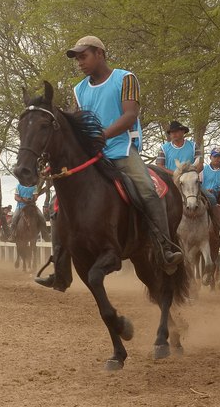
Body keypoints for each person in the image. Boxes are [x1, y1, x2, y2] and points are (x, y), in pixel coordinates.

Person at [66, 35, 183, 272]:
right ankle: (60, 260)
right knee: (64, 196)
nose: (80, 63)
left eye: (83, 56)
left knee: (148, 190)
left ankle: (165, 246)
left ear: (100, 53)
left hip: (120, 150)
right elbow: (77, 124)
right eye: (77, 59)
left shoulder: (125, 78)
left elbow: (130, 115)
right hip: (92, 156)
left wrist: (104, 135)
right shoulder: (79, 90)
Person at [156, 121, 220, 242]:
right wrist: (176, 173)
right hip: (171, 183)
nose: (174, 134)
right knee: (156, 201)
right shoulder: (164, 148)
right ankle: (157, 234)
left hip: (191, 183)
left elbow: (200, 164)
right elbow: (159, 165)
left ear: (182, 132)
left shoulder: (193, 146)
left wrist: (189, 173)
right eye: (171, 132)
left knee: (211, 198)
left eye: (176, 132)